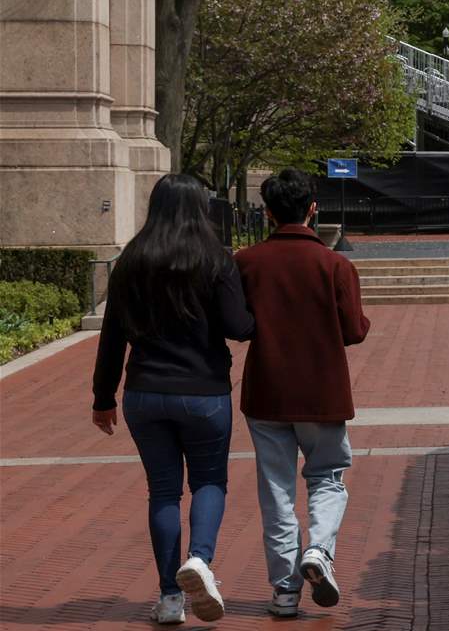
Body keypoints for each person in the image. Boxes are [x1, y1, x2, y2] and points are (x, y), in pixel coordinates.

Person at [91, 174, 256, 625]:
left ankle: (169, 598)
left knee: (162, 491)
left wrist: (102, 396)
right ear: (201, 208)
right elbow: (239, 327)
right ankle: (200, 560)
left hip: (144, 391)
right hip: (203, 391)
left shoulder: (132, 260)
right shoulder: (215, 259)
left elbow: (112, 336)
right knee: (209, 482)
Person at [235, 169, 370, 620]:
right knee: (328, 475)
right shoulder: (335, 266)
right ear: (313, 208)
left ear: (267, 212)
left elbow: (239, 325)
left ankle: (284, 591)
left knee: (275, 490)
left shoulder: (247, 262)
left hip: (267, 390)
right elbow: (354, 331)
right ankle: (319, 551)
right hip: (322, 390)